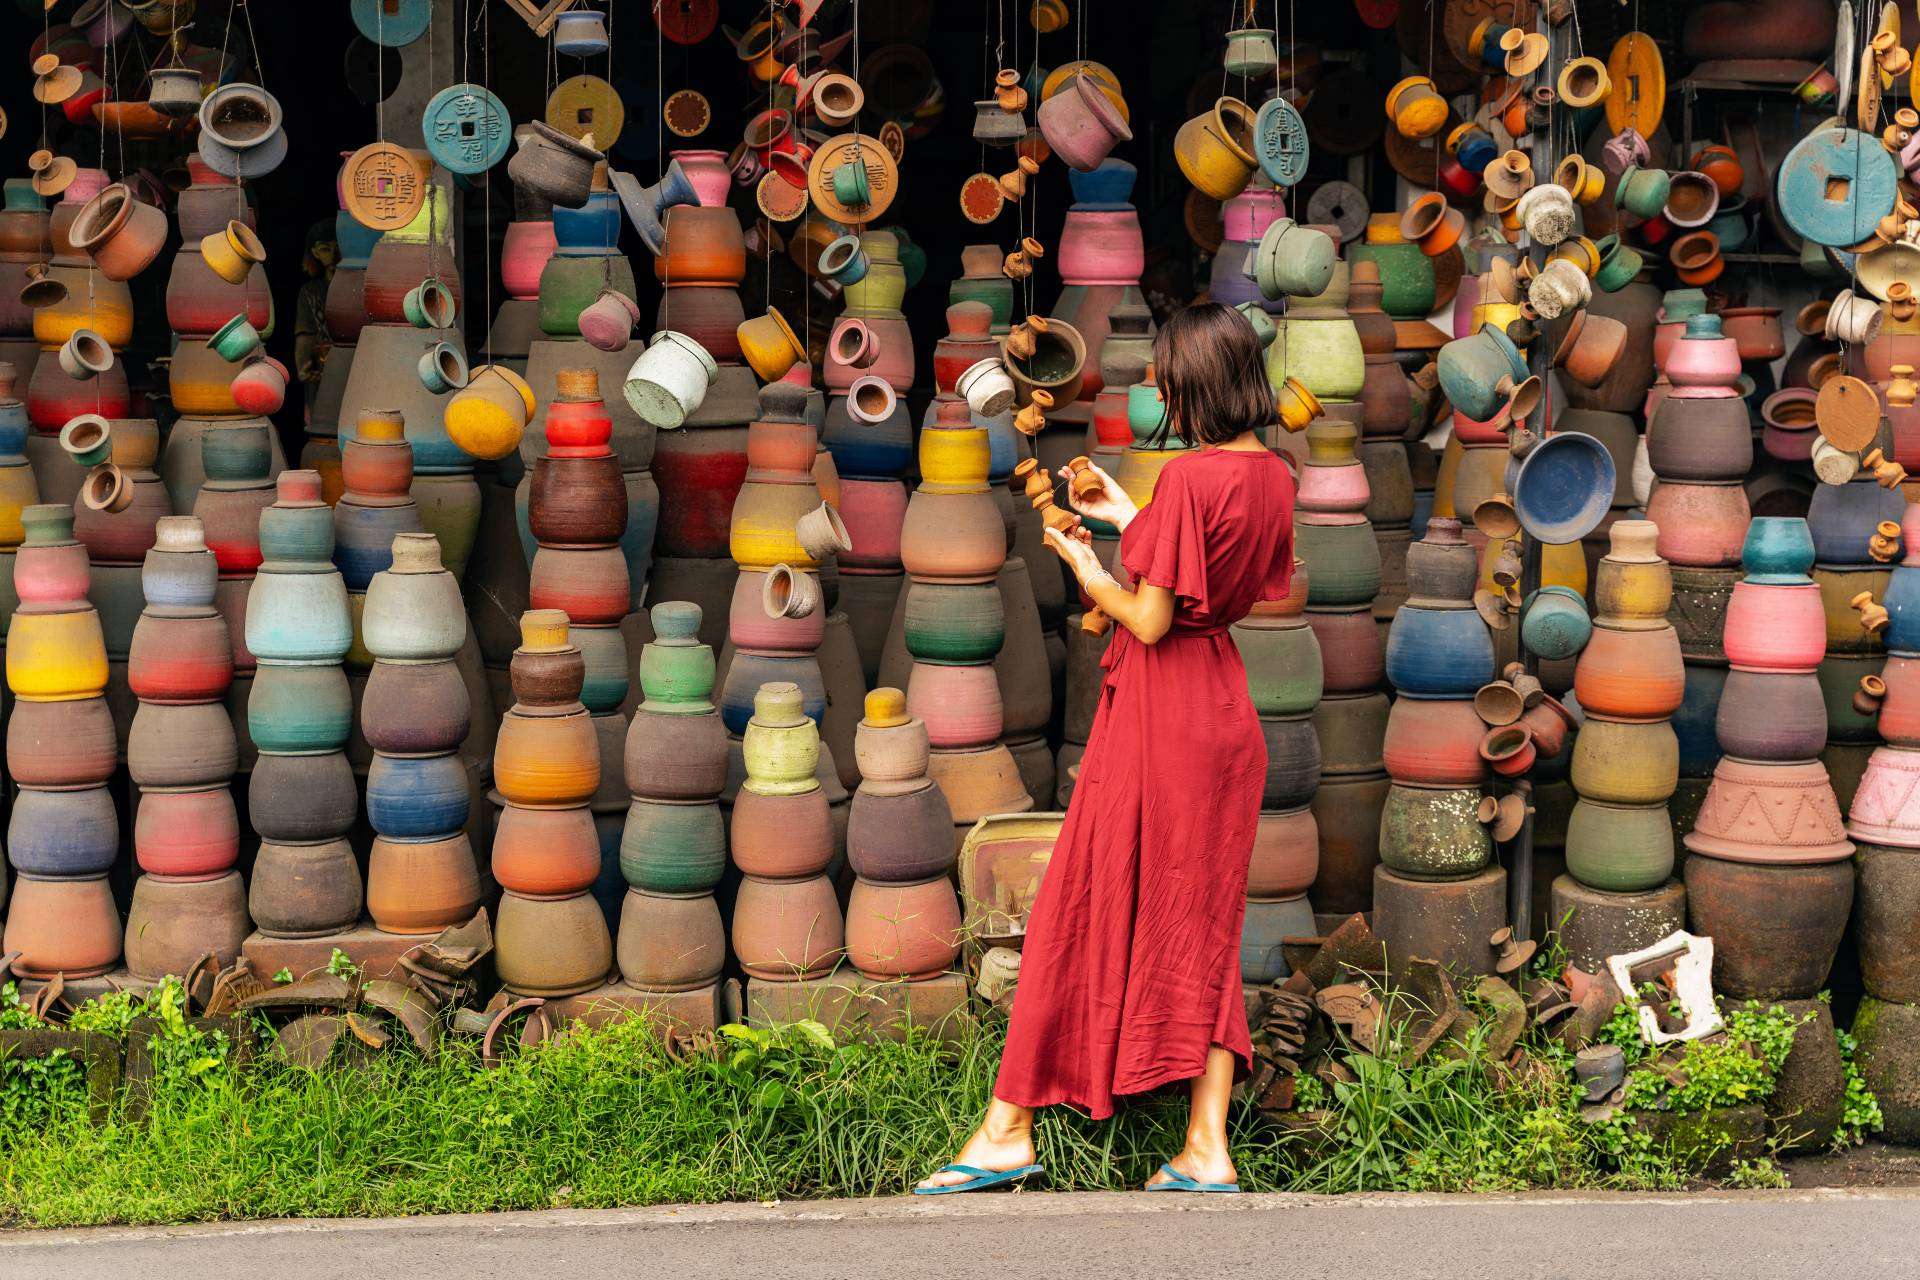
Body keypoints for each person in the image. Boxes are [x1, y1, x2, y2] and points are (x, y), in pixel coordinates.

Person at [917, 302, 1298, 1195]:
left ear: (1192, 383)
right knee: (1202, 925)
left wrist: (1089, 570)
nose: (1159, 389)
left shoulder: (1194, 479)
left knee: (1076, 905)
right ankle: (1207, 1146)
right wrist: (1134, 515)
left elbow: (1154, 618)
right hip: (1223, 717)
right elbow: (1204, 575)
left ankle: (1009, 1126)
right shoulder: (1272, 476)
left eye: (1167, 376)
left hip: (1160, 720)